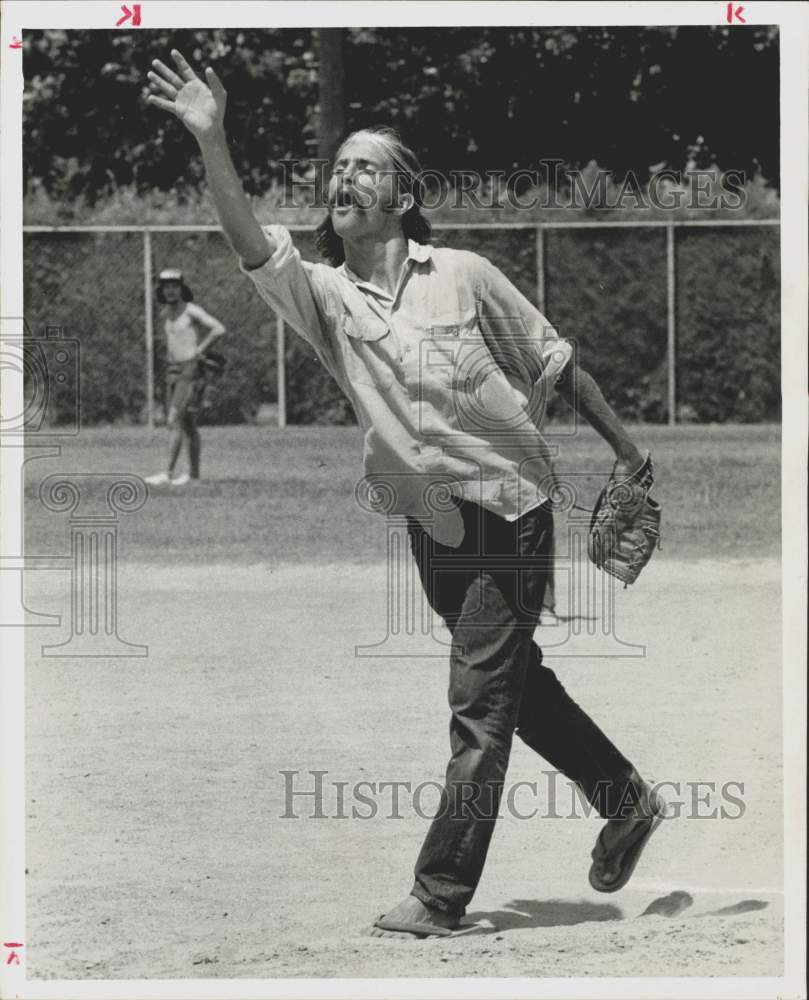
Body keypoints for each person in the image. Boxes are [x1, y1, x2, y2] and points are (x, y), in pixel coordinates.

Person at [147, 49, 666, 937]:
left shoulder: (461, 274)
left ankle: (439, 894)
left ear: (400, 196)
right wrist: (212, 136)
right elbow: (246, 242)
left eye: (364, 165)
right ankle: (624, 799)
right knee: (508, 684)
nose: (343, 176)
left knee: (477, 706)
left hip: (508, 505)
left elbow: (552, 359)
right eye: (337, 167)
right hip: (430, 518)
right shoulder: (324, 299)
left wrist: (627, 452)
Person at [145, 268, 226, 486]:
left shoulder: (191, 310)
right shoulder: (166, 313)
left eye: (174, 286)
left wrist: (200, 350)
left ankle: (167, 473)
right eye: (166, 287)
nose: (170, 291)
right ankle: (194, 476)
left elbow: (218, 329)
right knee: (188, 423)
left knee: (173, 420)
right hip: (174, 370)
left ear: (182, 288)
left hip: (190, 370)